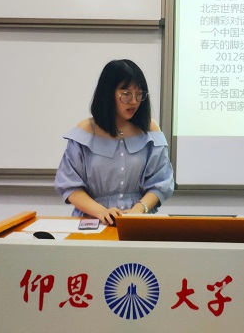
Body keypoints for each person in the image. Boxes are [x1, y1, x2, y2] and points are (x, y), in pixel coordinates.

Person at [54, 59, 174, 225]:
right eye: (126, 94)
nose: (134, 101)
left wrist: (138, 210)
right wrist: (101, 212)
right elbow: (70, 186)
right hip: (93, 220)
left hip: (137, 221)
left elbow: (161, 182)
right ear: (108, 94)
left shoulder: (150, 129)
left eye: (139, 94)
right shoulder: (85, 132)